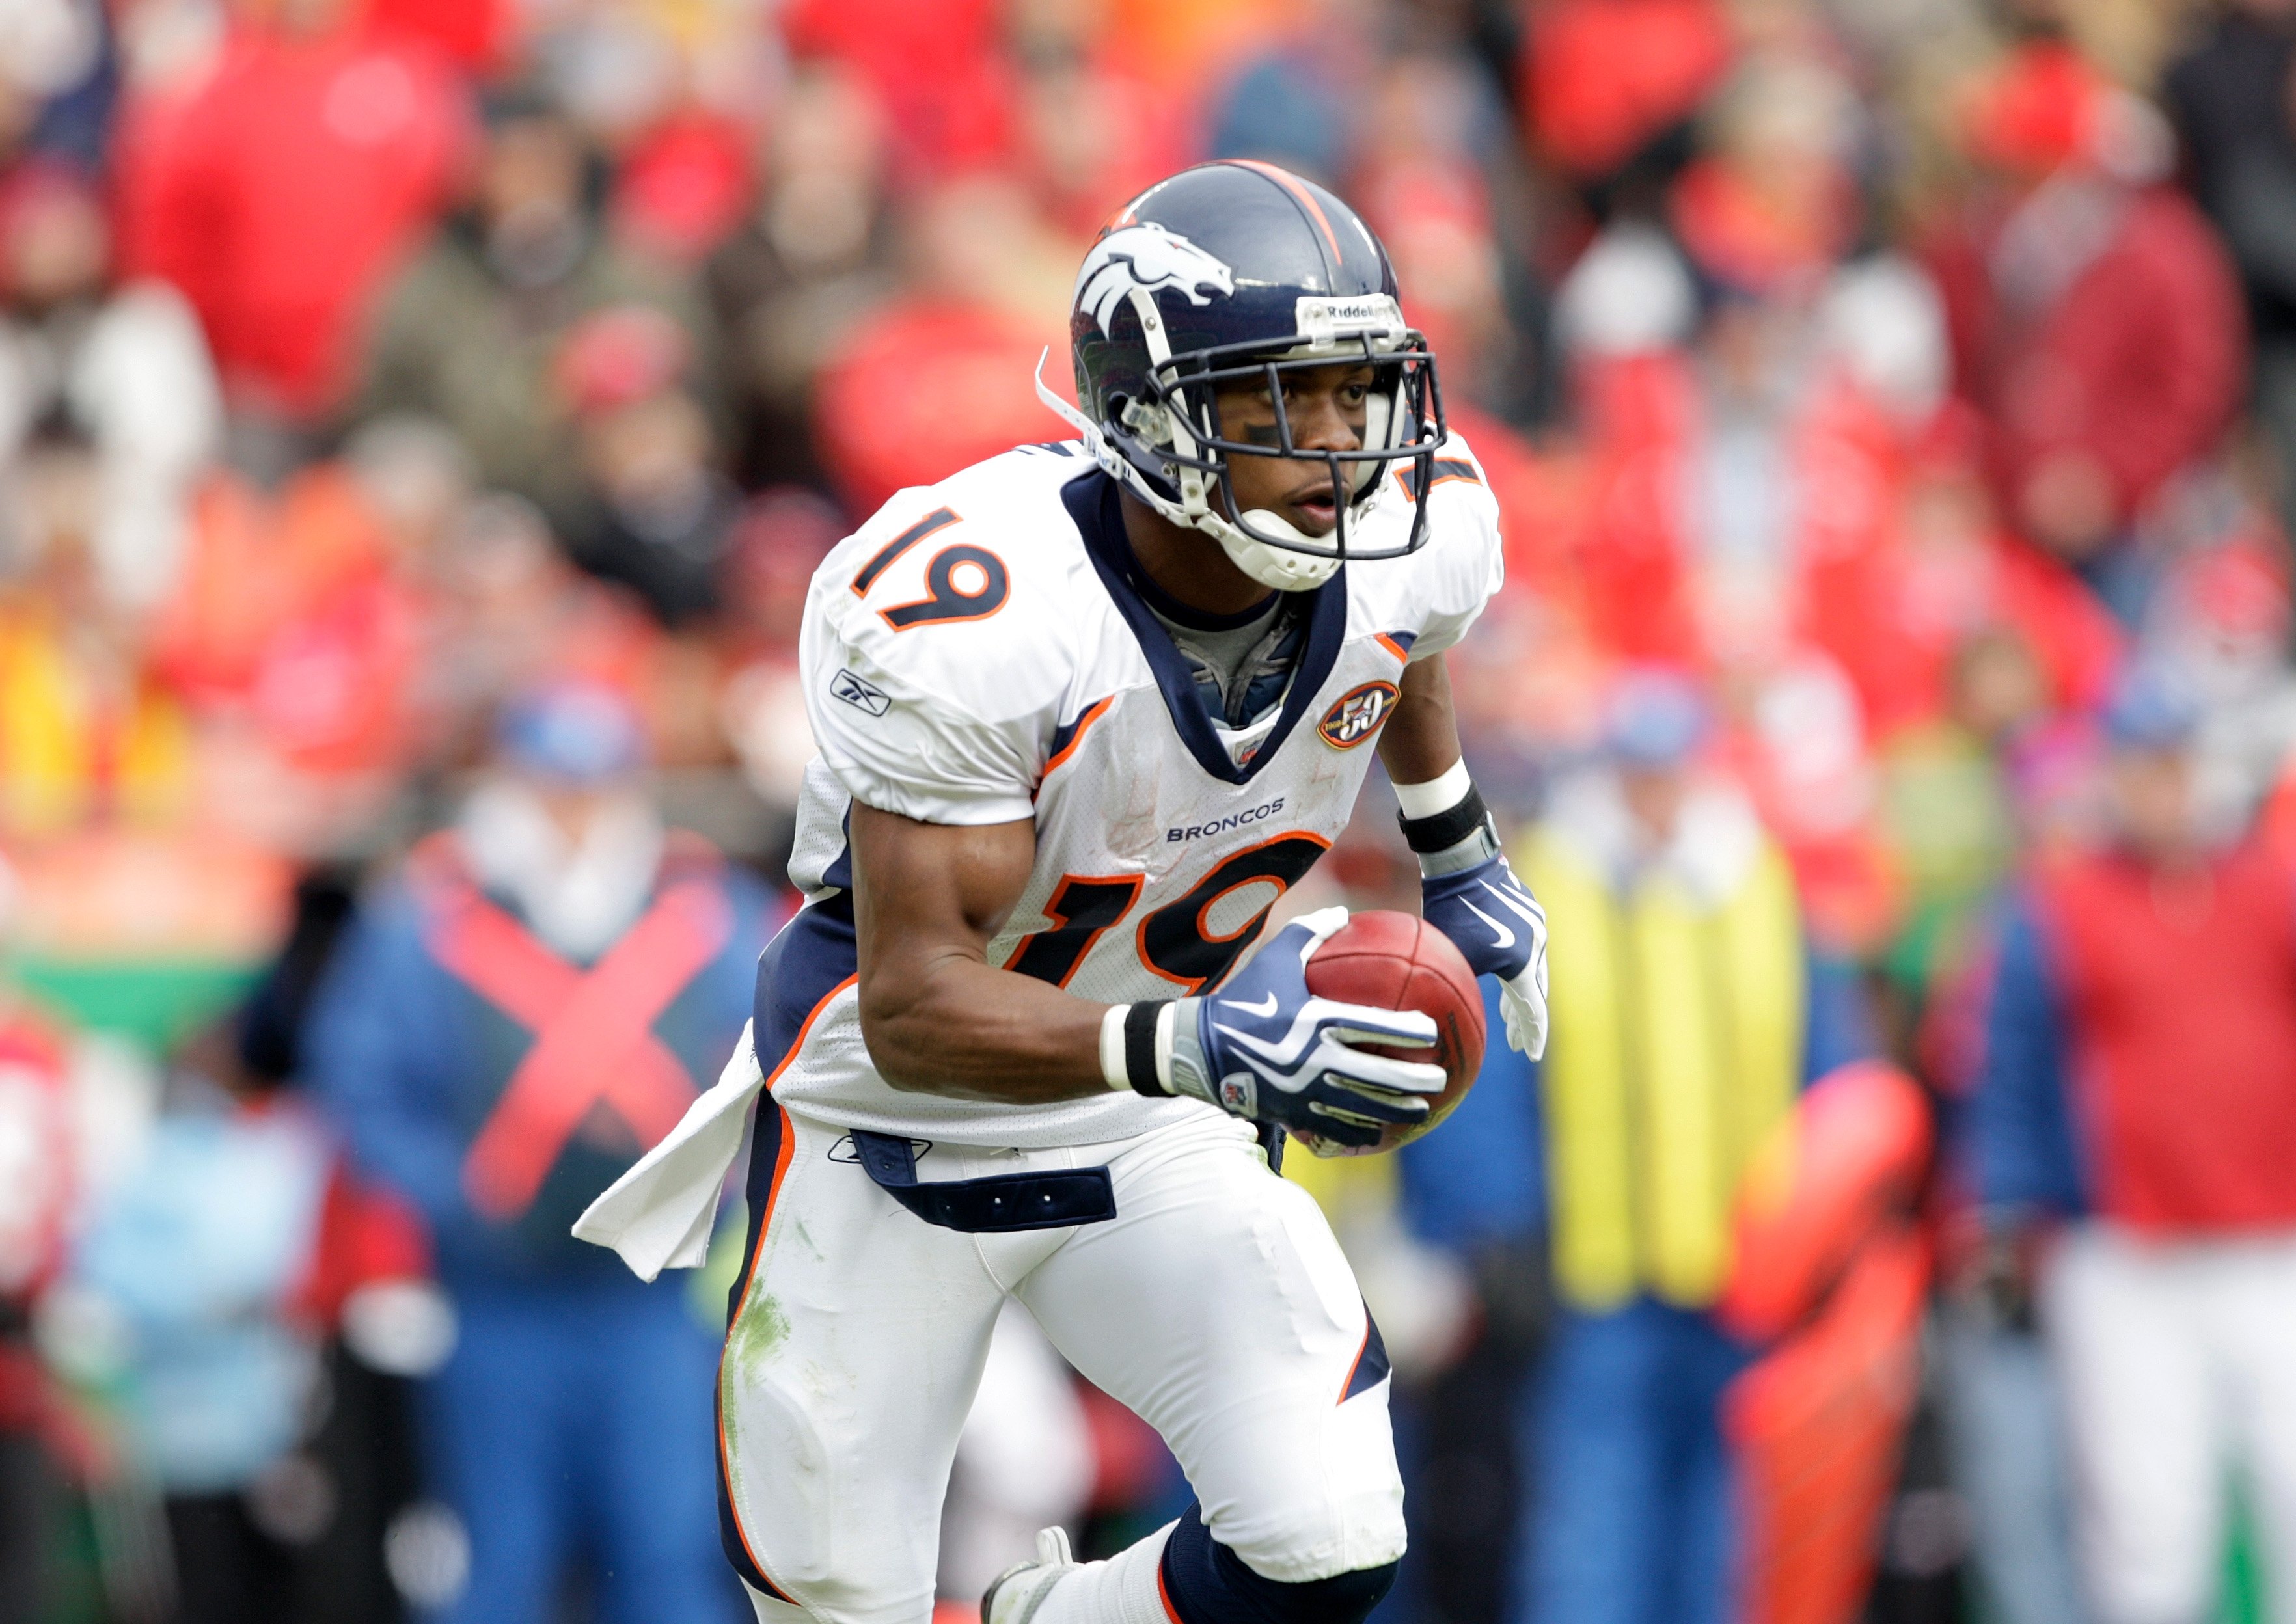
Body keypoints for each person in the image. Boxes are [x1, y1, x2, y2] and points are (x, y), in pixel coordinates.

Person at [576, 159, 1551, 1624]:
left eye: (1360, 393)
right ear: (1153, 411)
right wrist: (1197, 1045)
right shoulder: (984, 613)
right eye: (1282, 399)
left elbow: (1403, 649)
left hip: (1148, 1111)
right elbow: (912, 1004)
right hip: (894, 1130)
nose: (1340, 447)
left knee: (1328, 1538)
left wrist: (1459, 853)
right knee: (836, 1602)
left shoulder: (1415, 528)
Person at [310, 681, 774, 1624]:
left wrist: (718, 1191)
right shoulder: (425, 921)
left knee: (670, 1555)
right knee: (498, 1562)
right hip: (495, 1302)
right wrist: (456, 1202)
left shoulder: (709, 915)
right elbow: (359, 1084)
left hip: (656, 1306)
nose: (574, 817)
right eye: (552, 789)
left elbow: (779, 1063)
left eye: (595, 790)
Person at [1507, 671, 1873, 1624]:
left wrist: (1832, 1229)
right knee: (1592, 1516)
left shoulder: (1755, 877)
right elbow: (1493, 1076)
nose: (1654, 795)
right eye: (1636, 773)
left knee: (1726, 1519)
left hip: (1744, 1269)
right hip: (1595, 1266)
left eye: (1669, 772)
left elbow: (1823, 1068)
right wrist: (1498, 1231)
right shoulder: (1547, 884)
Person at [1973, 670, 2296, 1624]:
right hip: (2123, 1251)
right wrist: (2003, 1222)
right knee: (2149, 1524)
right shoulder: (2057, 908)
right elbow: (2015, 1079)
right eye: (2142, 767)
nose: (2162, 788)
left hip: (2271, 1242)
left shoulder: (2270, 890)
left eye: (2175, 765)